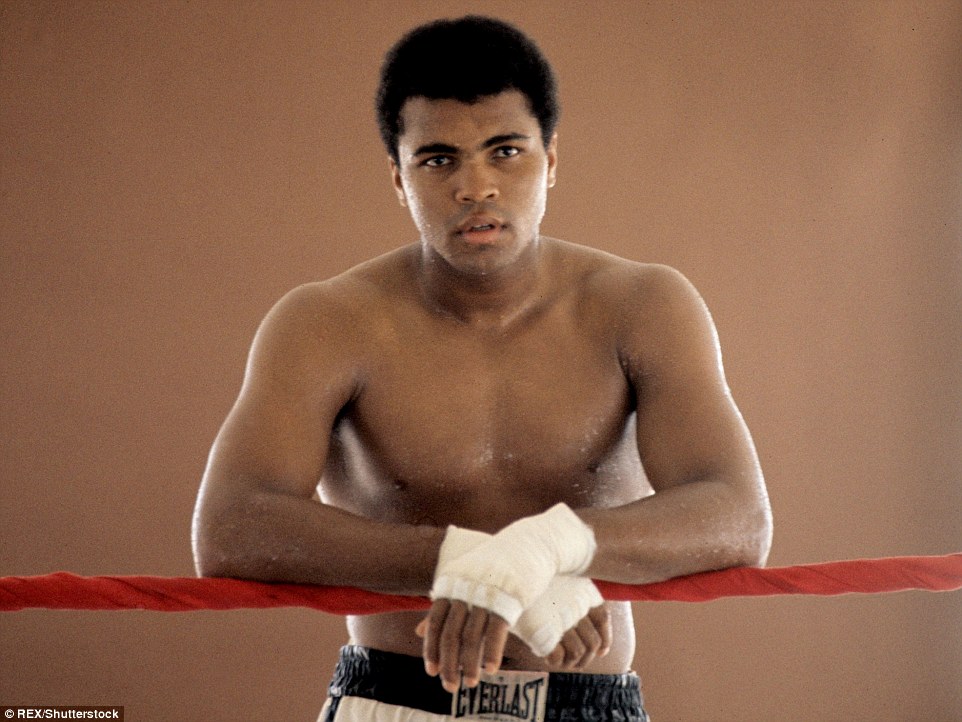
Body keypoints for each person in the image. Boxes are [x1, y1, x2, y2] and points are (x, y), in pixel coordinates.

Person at [191, 15, 772, 722]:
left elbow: (738, 517)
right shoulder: (329, 322)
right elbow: (230, 527)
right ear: (398, 179)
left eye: (505, 151)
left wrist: (545, 548)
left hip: (584, 701)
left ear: (551, 159)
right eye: (438, 160)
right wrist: (471, 561)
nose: (476, 186)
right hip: (392, 697)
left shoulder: (643, 306)